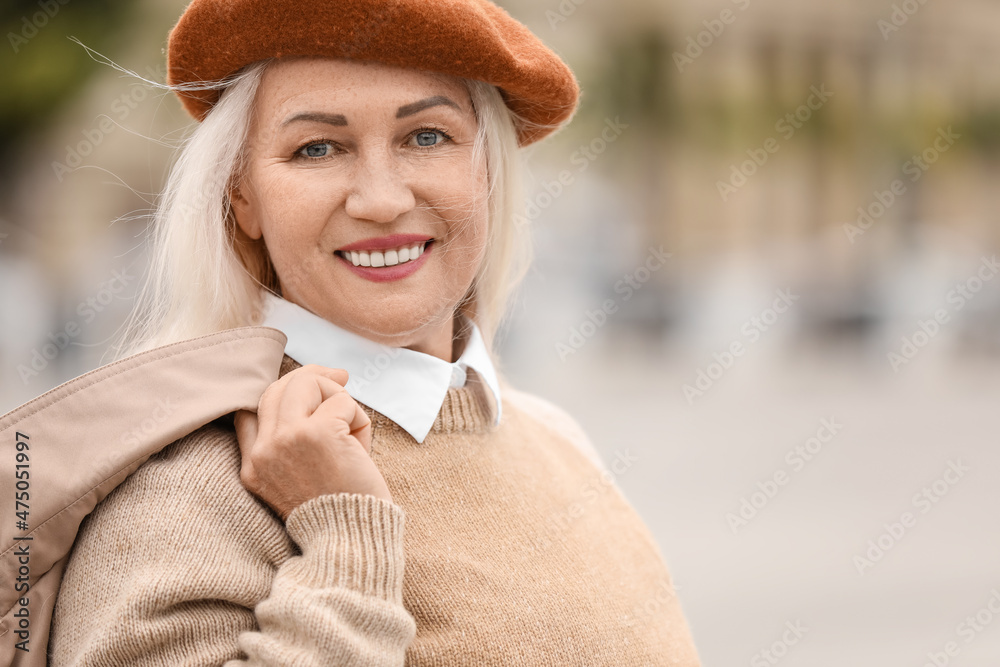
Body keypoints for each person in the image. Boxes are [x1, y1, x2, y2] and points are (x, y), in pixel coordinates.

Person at [45, 0, 702, 664]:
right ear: (242, 197)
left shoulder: (559, 438)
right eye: (318, 148)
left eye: (426, 136)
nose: (382, 200)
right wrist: (344, 546)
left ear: (488, 170)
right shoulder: (186, 496)